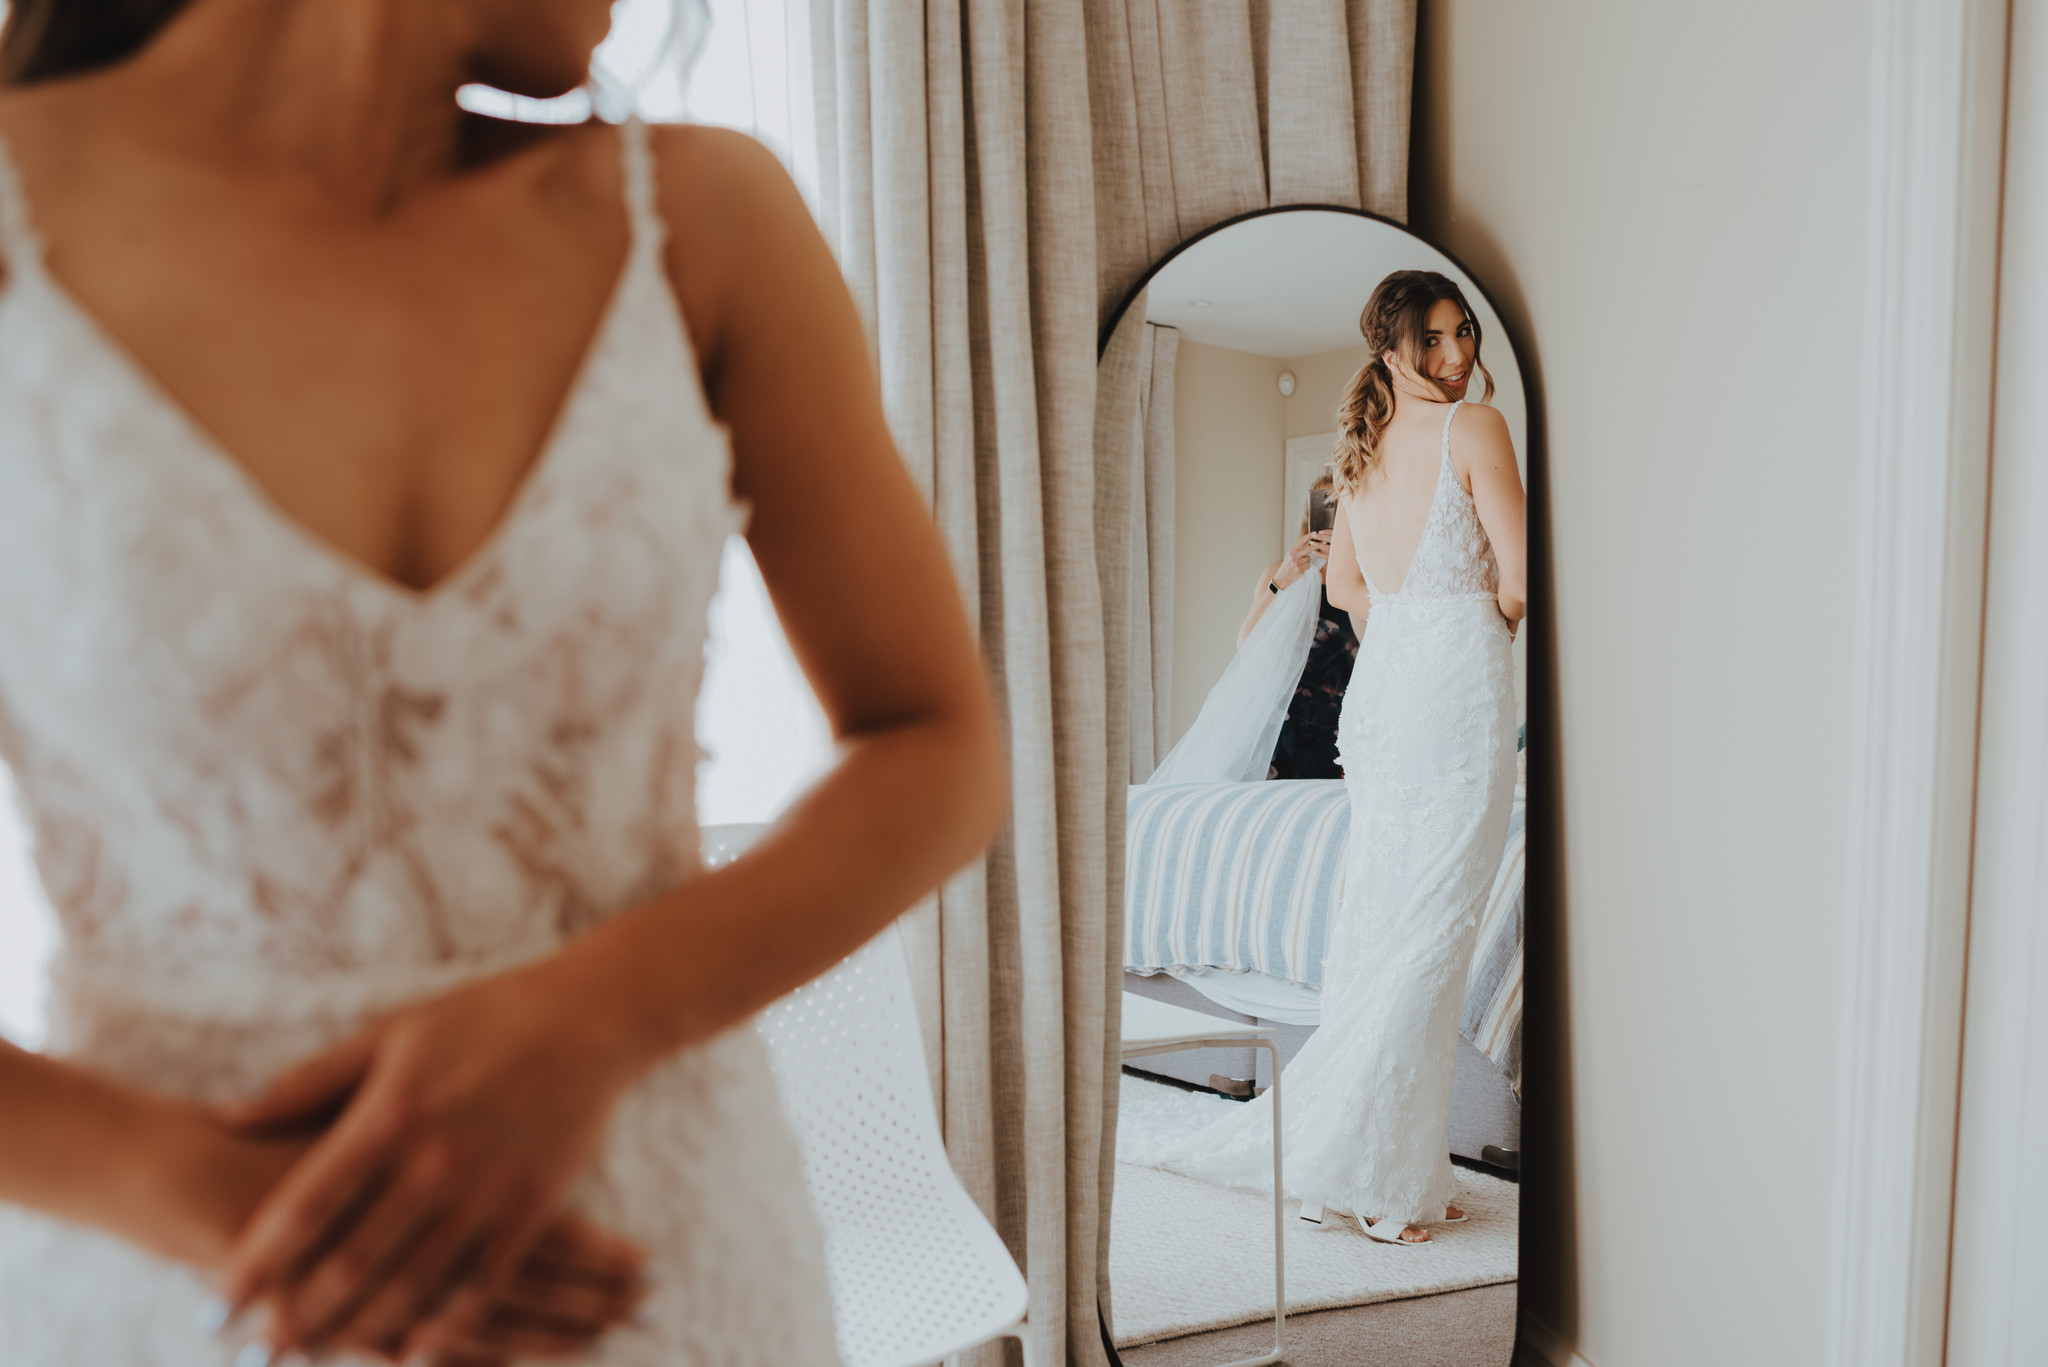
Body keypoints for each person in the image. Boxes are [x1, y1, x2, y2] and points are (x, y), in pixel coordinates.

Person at [0, 0, 1005, 1362]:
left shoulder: (702, 220)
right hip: (203, 1283)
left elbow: (935, 740)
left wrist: (592, 1013)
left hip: (670, 1259)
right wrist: (231, 1204)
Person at [1140, 269, 1524, 1245]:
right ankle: (1377, 1175)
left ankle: (1357, 1165)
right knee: (1430, 932)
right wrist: (1469, 625)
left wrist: (1410, 623)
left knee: (1380, 928)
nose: (1457, 357)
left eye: (1463, 335)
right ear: (1394, 351)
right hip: (1450, 688)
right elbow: (1520, 583)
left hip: (1386, 693)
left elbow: (1347, 589)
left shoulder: (1358, 453)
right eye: (1434, 341)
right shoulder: (1472, 428)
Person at [1235, 476, 1362, 781]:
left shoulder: (1364, 583)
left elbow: (1370, 647)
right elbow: (1246, 646)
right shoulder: (1280, 573)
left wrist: (1347, 567)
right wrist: (1281, 581)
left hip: (1338, 727)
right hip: (1281, 724)